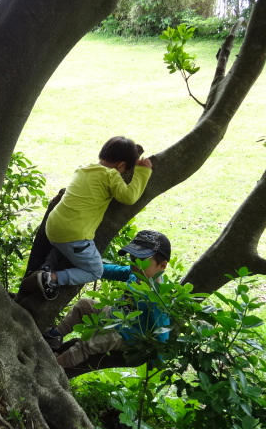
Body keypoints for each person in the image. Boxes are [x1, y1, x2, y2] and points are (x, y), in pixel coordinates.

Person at [37, 136, 152, 299]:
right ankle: (51, 278)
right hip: (74, 235)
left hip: (53, 226)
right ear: (121, 166)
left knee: (63, 244)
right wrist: (143, 172)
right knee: (95, 271)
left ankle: (47, 266)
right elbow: (129, 197)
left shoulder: (83, 169)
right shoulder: (111, 175)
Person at [43, 229, 171, 368]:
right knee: (83, 305)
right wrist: (90, 267)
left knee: (90, 343)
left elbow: (161, 330)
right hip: (113, 314)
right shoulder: (135, 274)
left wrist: (156, 360)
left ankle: (55, 366)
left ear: (162, 265)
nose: (134, 264)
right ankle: (54, 337)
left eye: (141, 261)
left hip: (124, 334)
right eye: (132, 259)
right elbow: (110, 270)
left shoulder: (157, 298)